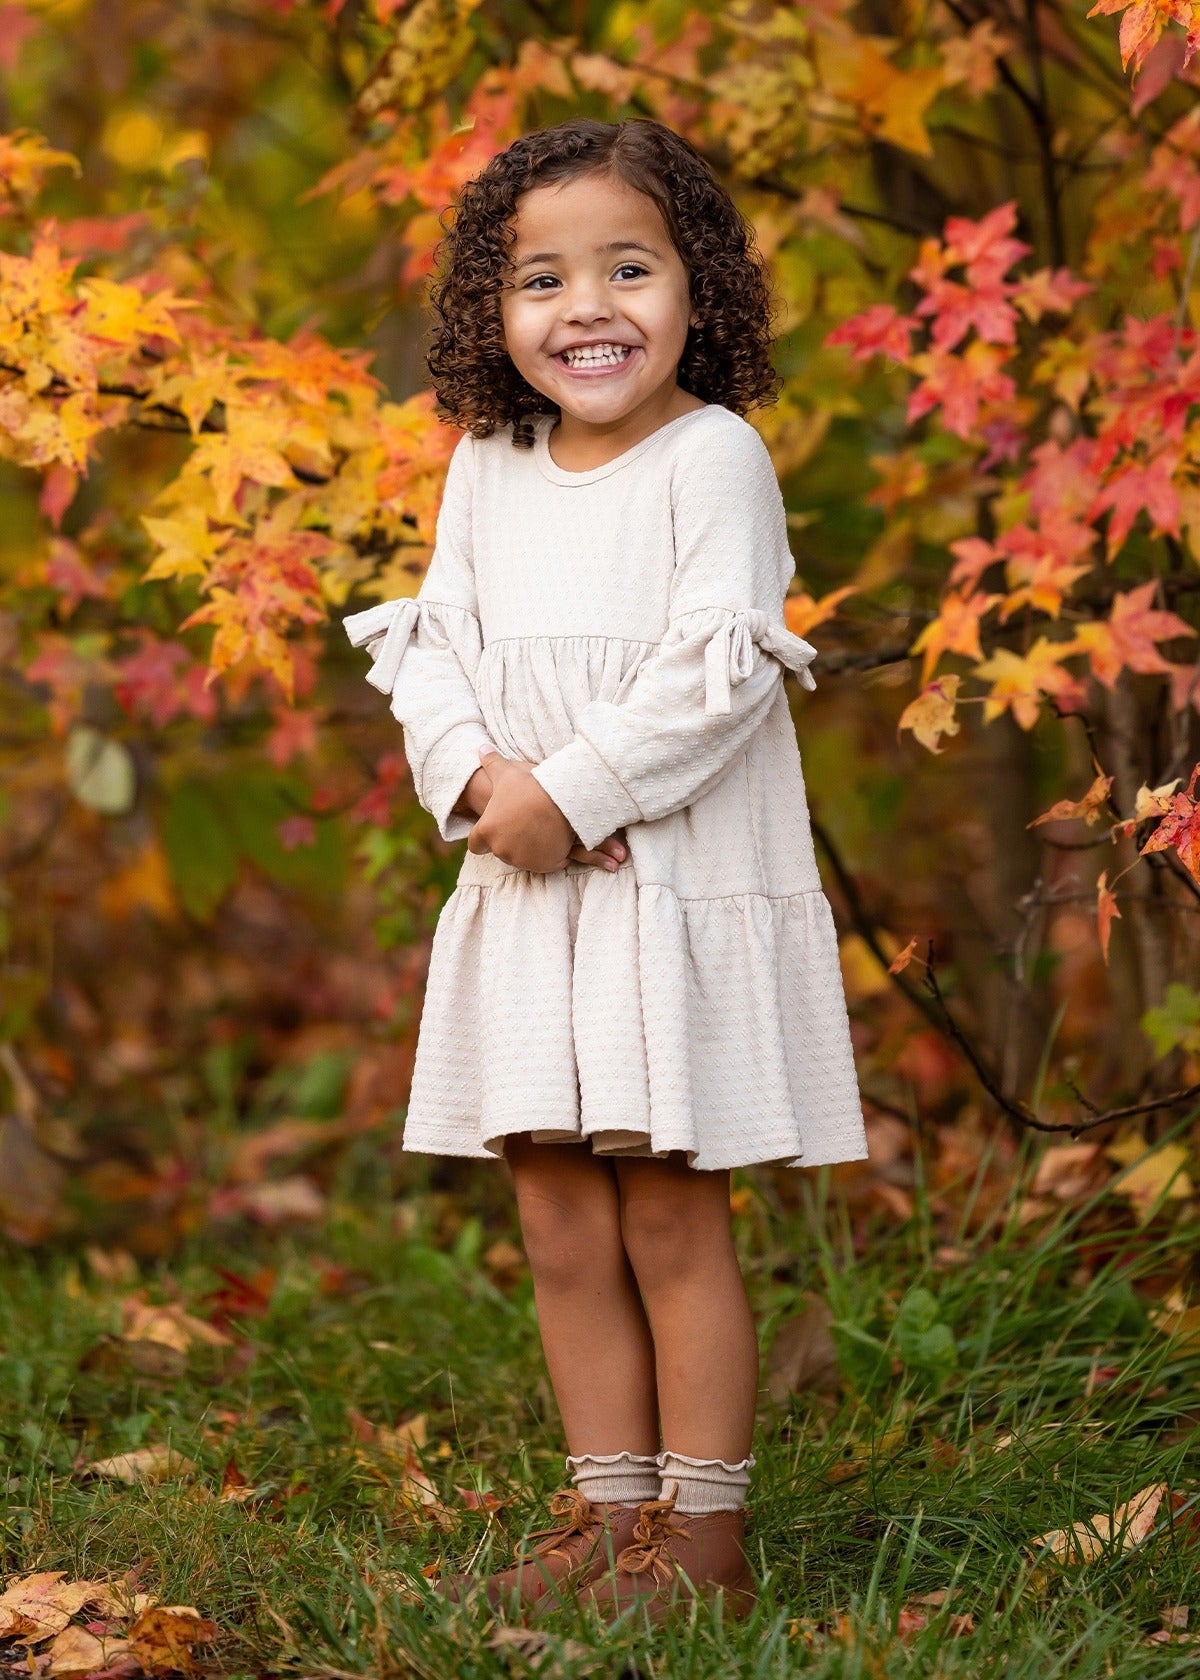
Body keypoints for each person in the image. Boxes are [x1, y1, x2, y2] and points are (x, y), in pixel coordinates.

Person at [344, 116, 867, 1624]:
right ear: (488, 314)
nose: (587, 310)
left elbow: (721, 679)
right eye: (542, 280)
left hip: (659, 900)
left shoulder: (714, 460)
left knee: (663, 1214)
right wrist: (476, 781)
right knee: (561, 1219)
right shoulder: (487, 465)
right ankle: (610, 1509)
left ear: (698, 289)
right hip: (528, 896)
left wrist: (571, 793)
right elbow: (432, 647)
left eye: (628, 269)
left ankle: (700, 1543)